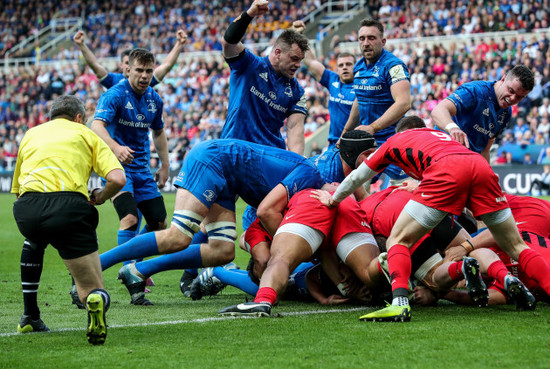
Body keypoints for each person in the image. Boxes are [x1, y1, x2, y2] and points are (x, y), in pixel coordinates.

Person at [313, 116, 550, 322]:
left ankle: (399, 305)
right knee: (515, 245)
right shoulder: (436, 134)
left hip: (443, 174)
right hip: (478, 165)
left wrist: (333, 200)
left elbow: (357, 177)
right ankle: (515, 279)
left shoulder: (392, 144)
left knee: (398, 240)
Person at [100, 139, 326, 305]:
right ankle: (97, 265)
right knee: (178, 236)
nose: (266, 268)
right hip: (214, 161)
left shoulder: (298, 196)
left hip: (228, 177)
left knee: (222, 251)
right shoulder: (311, 174)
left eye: (261, 270)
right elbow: (266, 212)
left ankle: (137, 270)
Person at [11, 95, 125, 344]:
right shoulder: (85, 134)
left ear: (51, 117)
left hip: (27, 210)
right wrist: (101, 197)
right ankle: (94, 300)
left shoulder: (31, 134)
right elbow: (118, 179)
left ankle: (30, 317)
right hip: (69, 209)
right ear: (79, 118)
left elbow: (18, 190)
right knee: (91, 288)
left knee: (34, 239)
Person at [90, 48, 170, 303]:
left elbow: (158, 132)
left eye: (149, 71)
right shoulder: (114, 95)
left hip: (143, 171)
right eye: (139, 70)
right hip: (116, 169)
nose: (145, 75)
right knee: (129, 219)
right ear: (127, 70)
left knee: (159, 223)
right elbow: (96, 125)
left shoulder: (154, 99)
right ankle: (133, 276)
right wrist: (116, 148)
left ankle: (133, 262)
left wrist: (165, 165)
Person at [220, 0, 308, 154]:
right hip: (233, 151)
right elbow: (229, 42)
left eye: (300, 60)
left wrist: (297, 166)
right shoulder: (249, 65)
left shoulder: (297, 92)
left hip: (268, 158)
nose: (298, 65)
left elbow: (295, 128)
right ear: (278, 53)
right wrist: (249, 14)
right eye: (294, 58)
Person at [340, 18, 411, 186]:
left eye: (371, 38)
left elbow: (404, 103)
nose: (366, 43)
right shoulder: (358, 67)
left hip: (393, 144)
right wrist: (345, 132)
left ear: (383, 41)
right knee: (355, 192)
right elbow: (360, 98)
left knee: (396, 198)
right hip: (366, 144)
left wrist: (373, 127)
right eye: (362, 38)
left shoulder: (393, 66)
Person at [431, 65, 534, 162]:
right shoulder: (476, 91)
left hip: (467, 164)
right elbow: (438, 110)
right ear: (503, 79)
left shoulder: (506, 113)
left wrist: (488, 175)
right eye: (511, 90)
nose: (512, 98)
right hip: (442, 155)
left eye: (519, 97)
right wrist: (452, 128)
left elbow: (485, 149)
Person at [292, 20, 355, 151]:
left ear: (356, 67)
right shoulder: (332, 79)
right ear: (336, 68)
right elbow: (310, 61)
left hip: (356, 146)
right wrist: (300, 37)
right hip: (334, 146)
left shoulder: (363, 87)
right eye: (341, 65)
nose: (344, 68)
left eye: (349, 64)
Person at [73, 29, 188, 89]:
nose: (130, 66)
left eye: (133, 63)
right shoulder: (113, 80)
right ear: (121, 65)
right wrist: (82, 45)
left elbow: (166, 65)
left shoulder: (145, 80)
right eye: (127, 63)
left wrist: (179, 44)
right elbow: (94, 64)